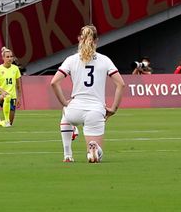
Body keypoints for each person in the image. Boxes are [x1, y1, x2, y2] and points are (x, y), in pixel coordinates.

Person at [49, 25, 125, 163]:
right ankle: (94, 149)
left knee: (65, 114)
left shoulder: (71, 59)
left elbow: (54, 82)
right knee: (97, 156)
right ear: (96, 40)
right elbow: (121, 84)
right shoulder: (105, 60)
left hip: (75, 109)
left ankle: (67, 154)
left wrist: (64, 103)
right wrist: (113, 109)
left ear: (80, 39)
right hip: (96, 111)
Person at [0, 49, 22, 128]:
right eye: (7, 57)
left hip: (13, 97)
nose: (10, 58)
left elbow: (18, 85)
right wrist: (2, 91)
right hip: (0, 96)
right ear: (3, 58)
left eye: (11, 56)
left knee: (10, 124)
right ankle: (6, 120)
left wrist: (18, 98)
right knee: (7, 97)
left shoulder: (15, 69)